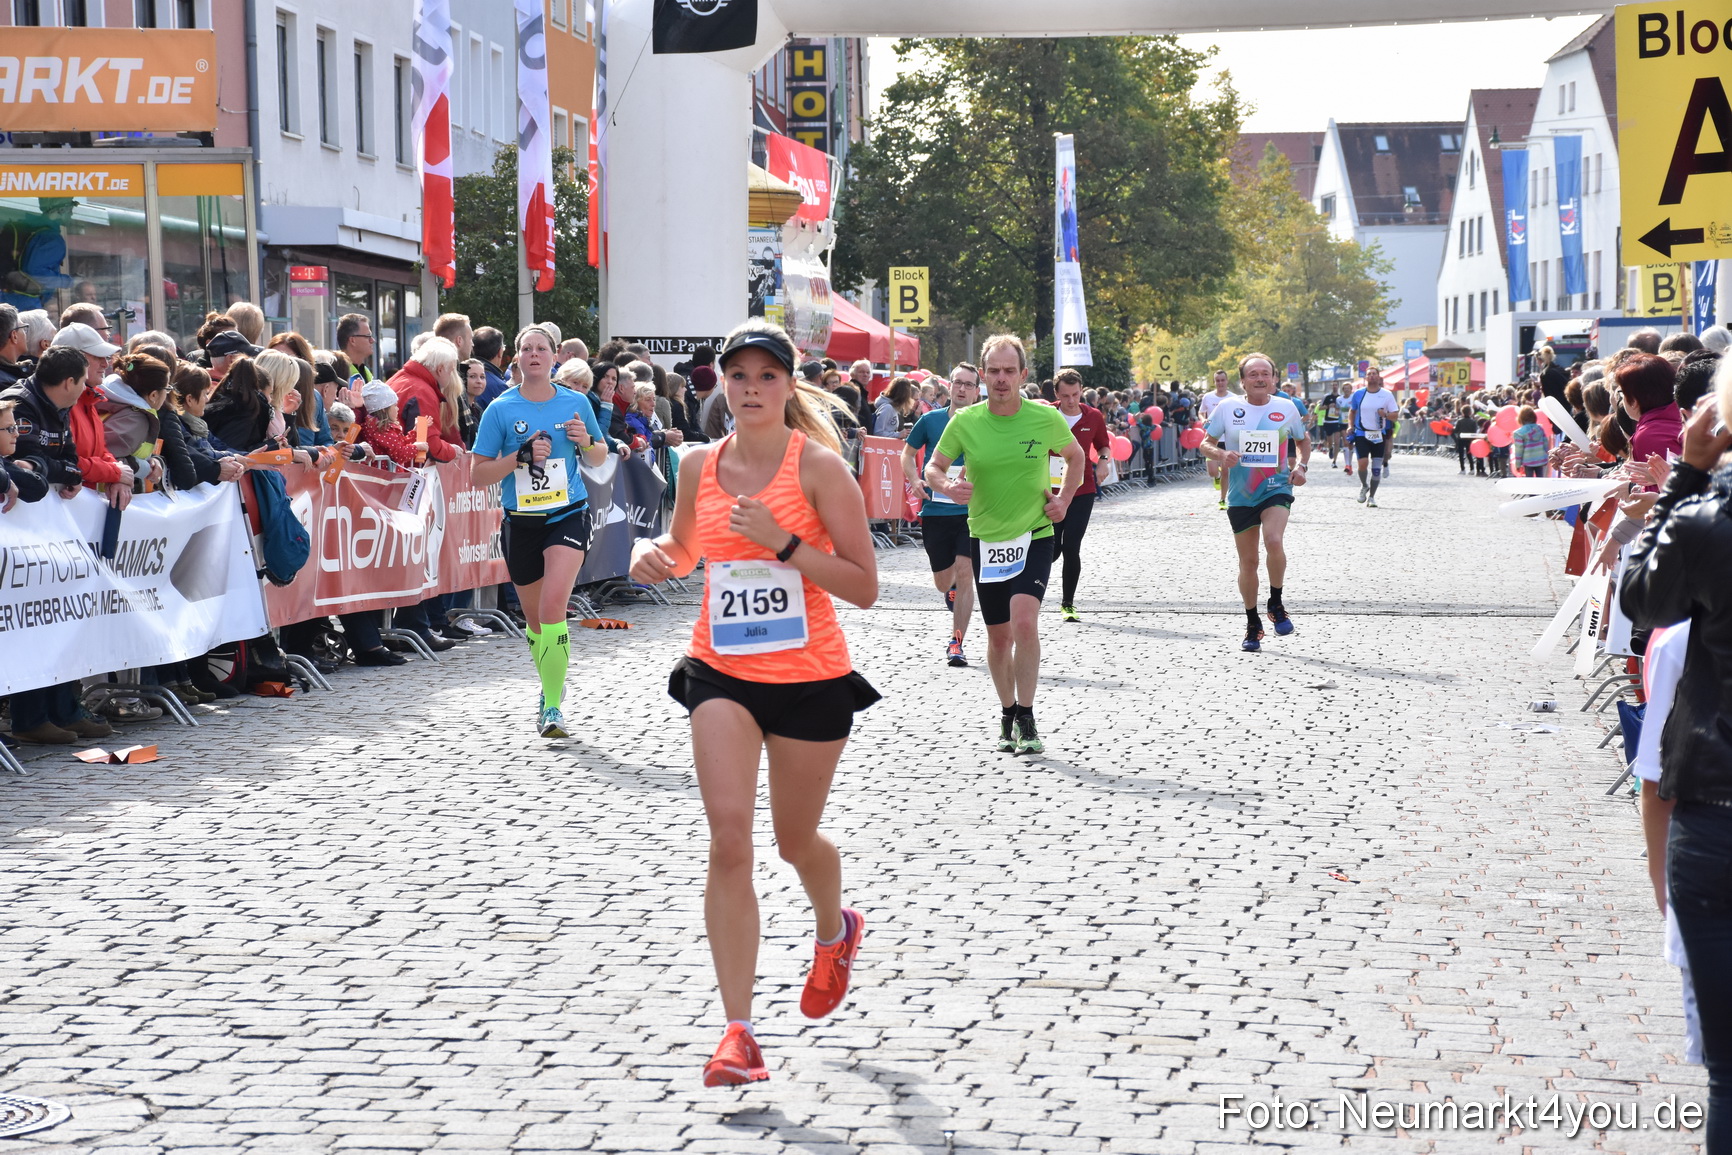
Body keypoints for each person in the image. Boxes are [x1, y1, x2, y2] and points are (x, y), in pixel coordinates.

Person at [628, 319, 879, 1089]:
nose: (751, 389)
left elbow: (864, 585)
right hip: (721, 671)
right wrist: (654, 560)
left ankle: (835, 930)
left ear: (789, 384)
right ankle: (738, 1032)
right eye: (738, 376)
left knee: (794, 842)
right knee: (729, 838)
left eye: (768, 376)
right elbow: (687, 548)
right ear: (720, 385)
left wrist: (782, 543)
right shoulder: (699, 463)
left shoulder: (821, 469)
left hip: (809, 678)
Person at [1619, 377, 1732, 1155]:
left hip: (1720, 807)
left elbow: (1641, 599)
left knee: (1730, 1073)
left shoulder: (1705, 521)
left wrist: (1686, 478)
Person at [923, 334, 1084, 754]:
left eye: (1009, 371)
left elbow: (1077, 457)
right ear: (982, 375)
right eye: (993, 371)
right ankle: (1007, 711)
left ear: (1023, 375)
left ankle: (1027, 716)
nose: (1001, 379)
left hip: (1035, 533)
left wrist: (1064, 500)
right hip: (987, 538)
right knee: (998, 639)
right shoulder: (966, 421)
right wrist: (947, 485)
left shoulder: (1044, 418)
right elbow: (934, 466)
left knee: (1024, 621)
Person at [469, 327, 612, 737]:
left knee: (553, 610)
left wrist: (586, 441)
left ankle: (551, 707)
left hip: (567, 514)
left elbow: (599, 454)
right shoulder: (500, 408)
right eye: (526, 349)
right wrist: (519, 457)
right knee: (535, 624)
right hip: (521, 523)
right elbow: (478, 475)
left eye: (541, 349)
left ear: (554, 357)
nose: (534, 354)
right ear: (516, 359)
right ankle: (552, 681)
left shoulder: (576, 401)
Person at [2, 347, 116, 743]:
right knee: (32, 621)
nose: (86, 387)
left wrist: (58, 470)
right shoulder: (23, 403)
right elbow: (23, 463)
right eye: (83, 381)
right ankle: (31, 719)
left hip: (56, 535)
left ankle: (65, 709)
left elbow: (68, 461)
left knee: (61, 618)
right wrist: (54, 469)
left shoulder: (62, 406)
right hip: (25, 541)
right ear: (69, 382)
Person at [1201, 353, 1311, 653]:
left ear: (1274, 379)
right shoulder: (1227, 408)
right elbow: (1204, 443)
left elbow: (1302, 441)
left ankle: (1275, 600)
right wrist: (1222, 455)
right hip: (1240, 494)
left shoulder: (1286, 407)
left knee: (1273, 540)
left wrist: (1301, 467)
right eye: (1253, 375)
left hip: (1275, 487)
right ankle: (1253, 622)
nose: (1260, 378)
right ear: (1243, 382)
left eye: (1265, 373)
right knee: (1248, 563)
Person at [902, 361, 981, 666]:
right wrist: (914, 479)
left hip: (971, 512)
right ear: (949, 386)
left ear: (976, 391)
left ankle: (956, 642)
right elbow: (907, 454)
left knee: (965, 572)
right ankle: (949, 591)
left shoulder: (985, 421)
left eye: (968, 384)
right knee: (943, 580)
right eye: (957, 383)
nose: (962, 389)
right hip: (935, 511)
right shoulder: (931, 420)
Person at [1049, 368, 1113, 623]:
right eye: (1065, 396)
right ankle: (1030, 593)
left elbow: (1103, 444)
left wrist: (1105, 461)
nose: (1072, 400)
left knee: (1071, 547)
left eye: (1075, 394)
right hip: (1049, 490)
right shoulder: (1046, 414)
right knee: (1050, 549)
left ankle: (1068, 603)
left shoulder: (1093, 416)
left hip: (1082, 489)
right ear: (1057, 394)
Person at [1346, 368, 1399, 507]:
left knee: (1376, 469)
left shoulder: (1386, 395)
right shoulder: (1358, 394)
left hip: (1378, 434)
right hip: (1362, 433)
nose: (1372, 376)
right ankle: (1364, 485)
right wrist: (1350, 426)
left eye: (1374, 374)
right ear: (1366, 378)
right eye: (1369, 374)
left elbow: (1395, 415)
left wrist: (1385, 415)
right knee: (1362, 464)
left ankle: (1372, 497)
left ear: (1379, 377)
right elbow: (1352, 412)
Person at [1197, 369, 1236, 507]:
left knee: (1226, 470)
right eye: (1217, 380)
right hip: (1212, 438)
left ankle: (1223, 499)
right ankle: (1216, 477)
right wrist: (1203, 419)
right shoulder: (1208, 397)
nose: (1220, 383)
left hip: (1228, 439)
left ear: (1227, 381)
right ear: (1214, 382)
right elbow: (1201, 412)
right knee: (1212, 471)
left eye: (1222, 380)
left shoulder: (1233, 398)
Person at [1317, 390, 1347, 467]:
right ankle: (1330, 448)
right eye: (1333, 385)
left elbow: (1344, 408)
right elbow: (1320, 408)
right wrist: (1328, 406)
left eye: (1336, 385)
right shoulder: (1327, 397)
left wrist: (1339, 410)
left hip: (1337, 421)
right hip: (1328, 422)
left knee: (1337, 442)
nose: (1335, 387)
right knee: (1330, 441)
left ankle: (1334, 461)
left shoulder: (1340, 398)